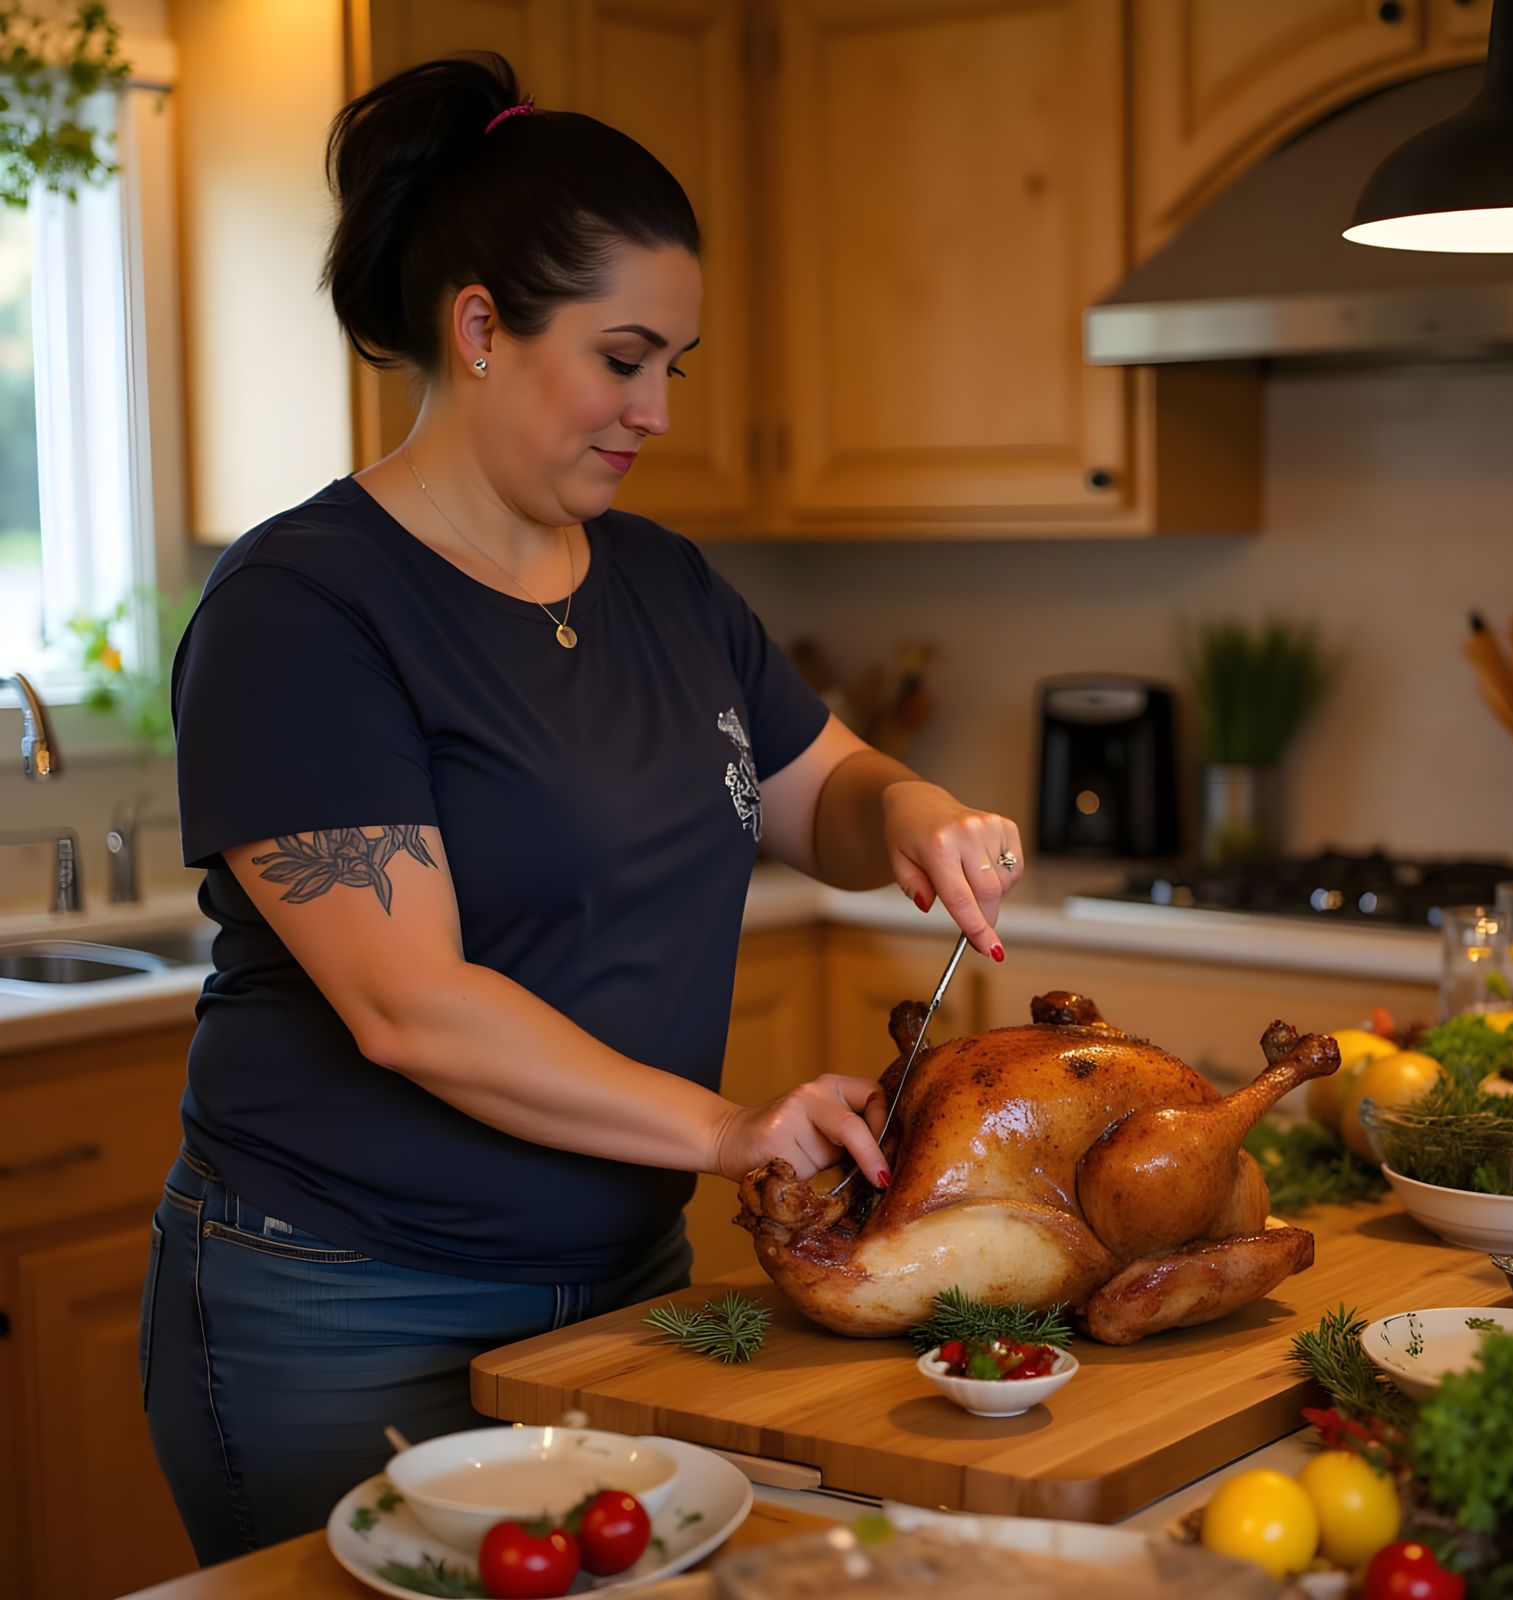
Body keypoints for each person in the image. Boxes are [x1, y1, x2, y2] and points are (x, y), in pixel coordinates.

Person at [140, 51, 1025, 1566]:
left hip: (625, 1293)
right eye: (623, 359)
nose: (657, 410)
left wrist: (923, 813)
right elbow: (413, 1007)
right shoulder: (305, 609)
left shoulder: (667, 585)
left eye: (675, 364)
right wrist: (735, 1126)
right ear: (479, 326)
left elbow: (825, 796)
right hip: (345, 1303)